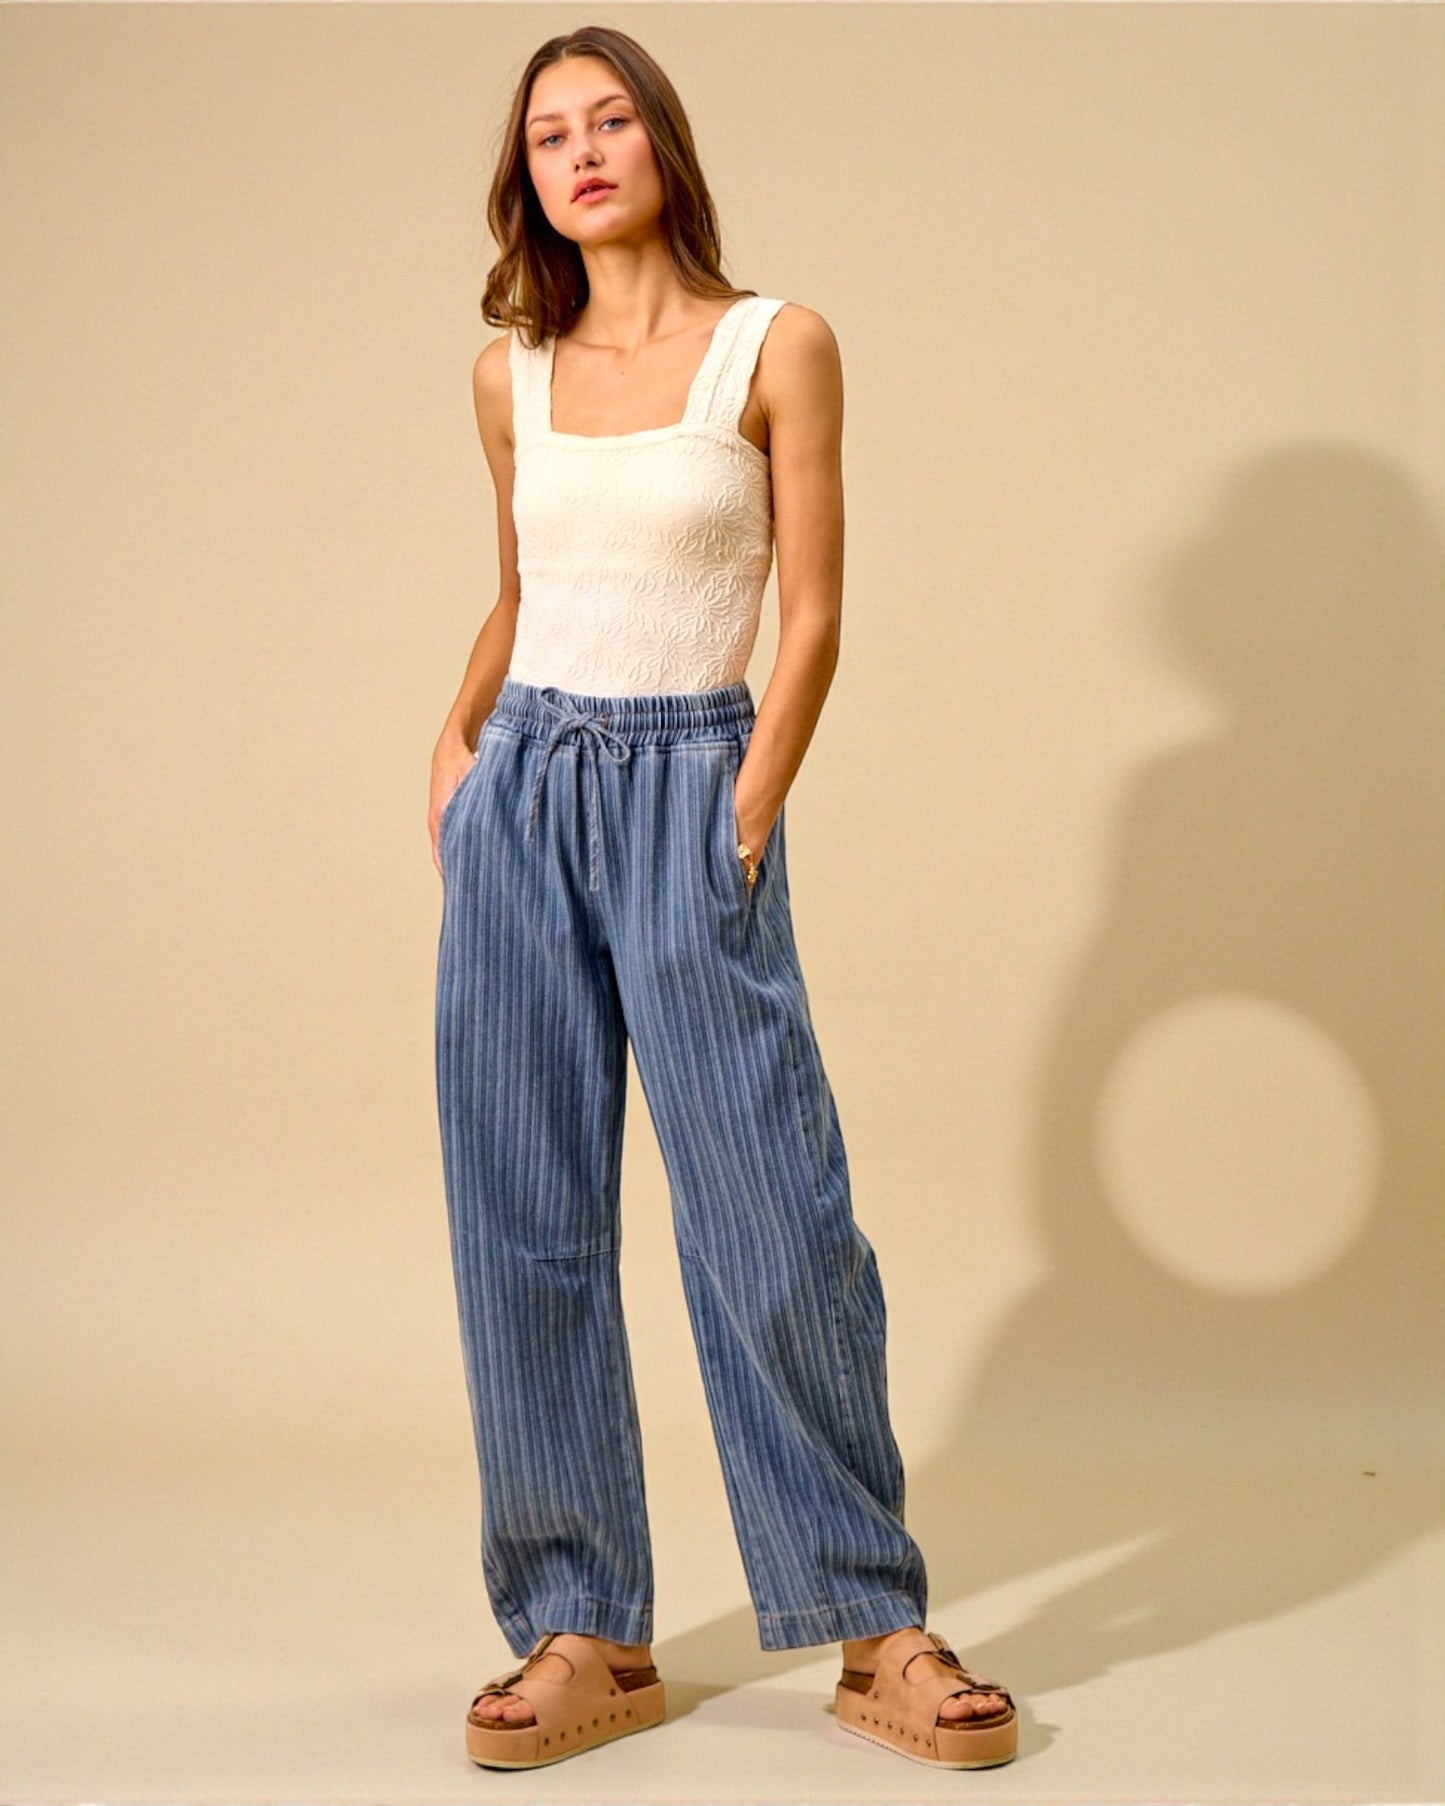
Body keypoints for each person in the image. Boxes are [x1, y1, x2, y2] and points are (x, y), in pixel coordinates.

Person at [429, 24, 1018, 1776]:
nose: (584, 150)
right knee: (521, 1214)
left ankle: (873, 1619)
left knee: (771, 1207)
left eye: (612, 119)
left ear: (664, 146)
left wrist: (748, 805)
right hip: (522, 788)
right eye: (551, 132)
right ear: (527, 175)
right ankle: (579, 1625)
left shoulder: (776, 344)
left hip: (695, 780)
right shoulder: (505, 372)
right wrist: (452, 747)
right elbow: (525, 586)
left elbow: (813, 611)